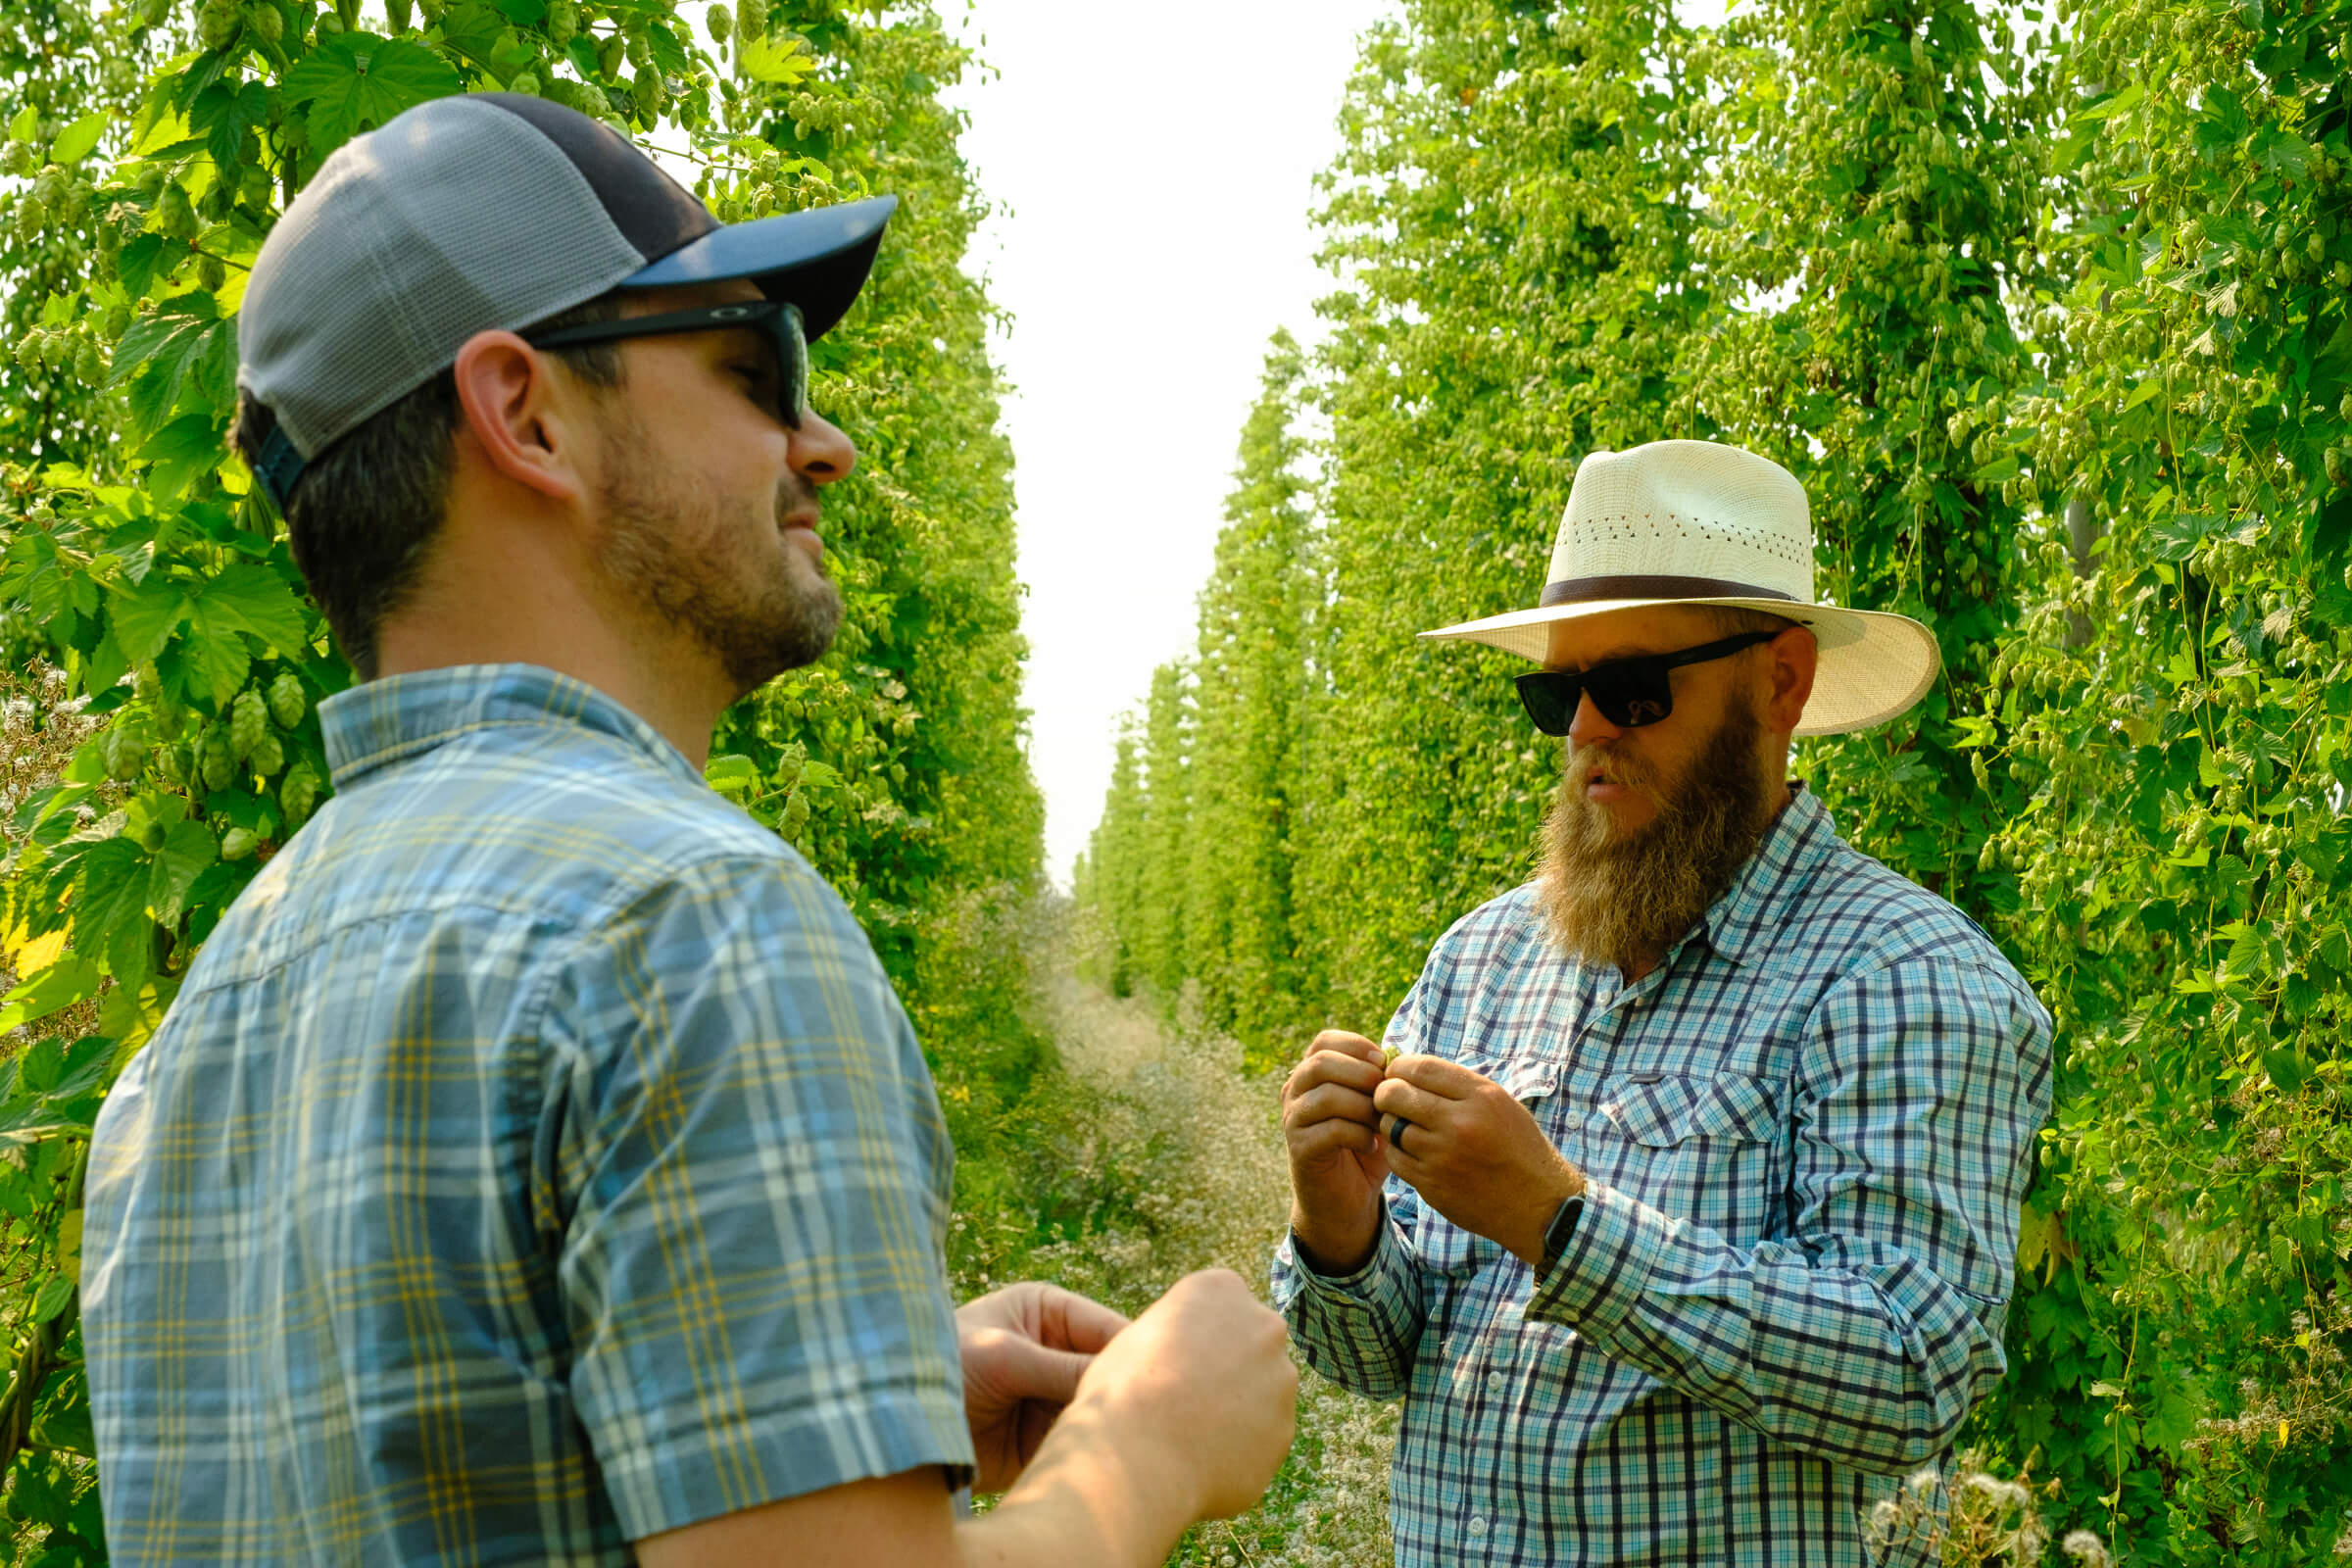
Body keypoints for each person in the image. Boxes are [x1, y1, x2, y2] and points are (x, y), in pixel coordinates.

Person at [80, 93, 1295, 1567]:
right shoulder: (690, 925)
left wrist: (834, 1409)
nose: (824, 442)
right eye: (750, 369)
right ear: (525, 412)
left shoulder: (191, 1043)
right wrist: (1147, 1448)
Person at [1274, 439, 2054, 1565]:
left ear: (1780, 680)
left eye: (1633, 688)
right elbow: (1375, 1359)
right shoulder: (1484, 958)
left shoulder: (1903, 976)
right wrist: (1338, 1227)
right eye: (1558, 692)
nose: (1588, 728)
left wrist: (1560, 1223)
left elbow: (1912, 1369)